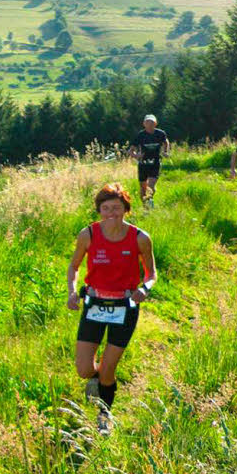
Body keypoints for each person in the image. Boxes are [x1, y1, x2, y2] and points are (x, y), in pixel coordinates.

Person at [66, 183, 157, 434]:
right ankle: (97, 381)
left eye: (116, 208)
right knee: (85, 369)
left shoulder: (140, 238)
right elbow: (73, 267)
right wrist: (73, 291)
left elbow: (151, 273)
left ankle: (104, 415)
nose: (111, 213)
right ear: (99, 210)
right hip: (95, 304)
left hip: (125, 306)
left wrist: (145, 289)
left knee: (108, 369)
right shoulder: (88, 235)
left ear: (126, 209)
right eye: (105, 208)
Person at [128, 114, 170, 207]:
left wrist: (165, 151)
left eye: (152, 122)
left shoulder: (160, 133)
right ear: (144, 124)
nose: (150, 124)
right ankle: (145, 206)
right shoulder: (140, 135)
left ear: (156, 123)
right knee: (143, 189)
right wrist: (136, 155)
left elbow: (165, 142)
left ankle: (150, 205)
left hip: (155, 162)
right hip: (143, 164)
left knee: (150, 187)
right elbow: (130, 151)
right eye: (147, 122)